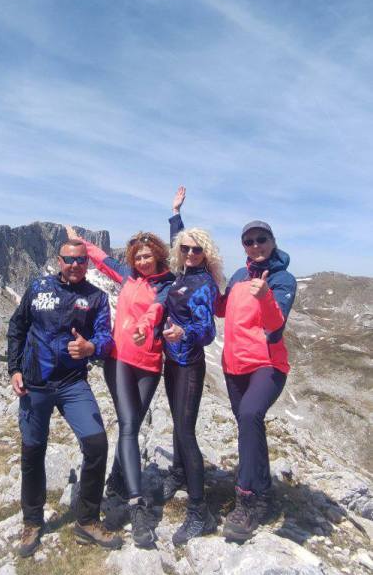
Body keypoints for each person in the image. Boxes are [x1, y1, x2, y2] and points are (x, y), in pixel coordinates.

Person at [172, 198, 297, 543]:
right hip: (234, 365)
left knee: (251, 415)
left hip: (267, 364)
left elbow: (276, 327)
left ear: (272, 242)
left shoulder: (283, 279)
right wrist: (196, 270)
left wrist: (265, 297)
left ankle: (248, 501)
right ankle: (264, 492)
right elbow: (221, 308)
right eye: (249, 241)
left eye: (261, 240)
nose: (255, 246)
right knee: (247, 425)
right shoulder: (241, 276)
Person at [7, 238, 123, 557]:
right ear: (58, 260)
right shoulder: (38, 288)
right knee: (33, 450)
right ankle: (32, 522)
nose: (75, 265)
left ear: (87, 263)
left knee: (96, 444)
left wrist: (90, 348)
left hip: (73, 384)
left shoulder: (96, 297)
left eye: (81, 260)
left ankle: (87, 520)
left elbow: (106, 338)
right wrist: (14, 369)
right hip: (35, 383)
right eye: (69, 260)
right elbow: (17, 327)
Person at [65, 224, 174, 549]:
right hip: (120, 360)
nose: (142, 261)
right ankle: (137, 505)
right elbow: (101, 261)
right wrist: (80, 242)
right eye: (137, 257)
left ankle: (115, 481)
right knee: (128, 426)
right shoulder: (126, 276)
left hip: (150, 364)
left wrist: (146, 326)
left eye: (147, 256)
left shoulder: (167, 283)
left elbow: (157, 308)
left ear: (158, 255)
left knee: (133, 425)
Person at [162, 185, 224, 544]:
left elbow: (207, 331)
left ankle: (200, 512)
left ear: (206, 253)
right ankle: (178, 473)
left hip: (188, 365)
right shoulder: (184, 272)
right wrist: (176, 214)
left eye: (196, 249)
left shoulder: (202, 285)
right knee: (177, 423)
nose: (189, 253)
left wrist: (183, 332)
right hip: (172, 362)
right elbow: (181, 241)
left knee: (186, 432)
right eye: (185, 249)